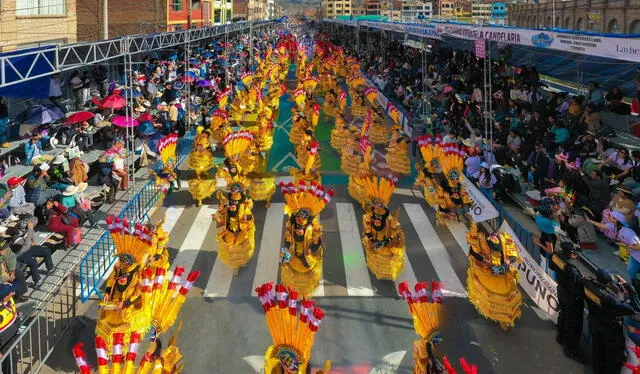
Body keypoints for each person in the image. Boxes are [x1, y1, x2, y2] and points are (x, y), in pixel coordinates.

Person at [584, 270, 639, 374]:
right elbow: (635, 308)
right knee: (614, 358)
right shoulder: (610, 299)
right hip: (610, 330)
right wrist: (627, 287)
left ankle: (597, 369)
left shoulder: (588, 284)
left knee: (598, 349)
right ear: (607, 284)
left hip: (594, 321)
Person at [550, 242, 584, 362]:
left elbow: (551, 266)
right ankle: (569, 350)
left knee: (563, 314)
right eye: (573, 253)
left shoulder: (556, 256)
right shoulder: (572, 269)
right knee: (572, 323)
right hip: (570, 296)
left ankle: (560, 337)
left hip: (561, 290)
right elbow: (577, 287)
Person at [11, 218, 54, 288]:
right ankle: (37, 281)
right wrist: (30, 230)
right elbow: (26, 243)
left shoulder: (26, 231)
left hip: (28, 248)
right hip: (20, 254)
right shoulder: (16, 238)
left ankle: (50, 268)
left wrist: (31, 233)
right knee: (33, 263)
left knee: (46, 251)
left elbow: (33, 239)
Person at [0, 283, 19, 374]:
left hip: (11, 338)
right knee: (10, 363)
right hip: (4, 344)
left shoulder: (9, 300)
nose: (13, 292)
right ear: (5, 297)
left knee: (13, 360)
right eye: (11, 292)